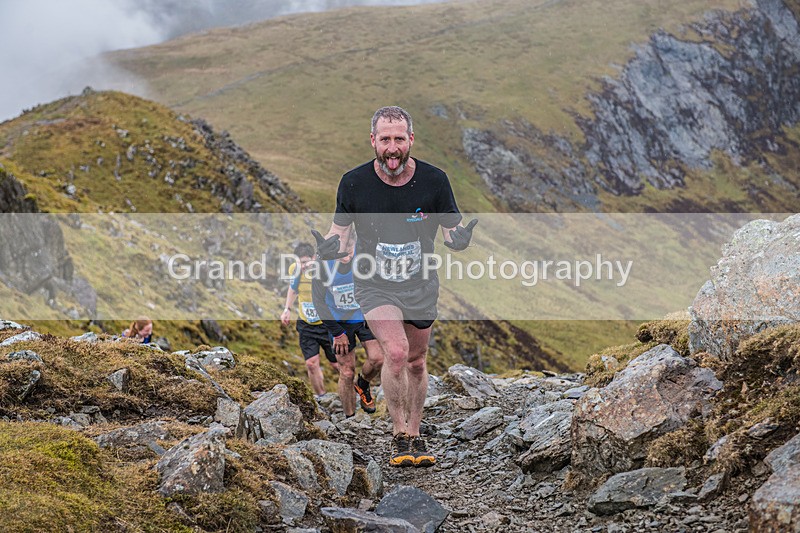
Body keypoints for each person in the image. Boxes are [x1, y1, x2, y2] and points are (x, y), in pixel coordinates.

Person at [313, 106, 477, 467]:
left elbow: (452, 230)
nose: (392, 147)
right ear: (373, 141)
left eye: (398, 139)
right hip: (374, 284)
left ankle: (417, 434)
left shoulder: (435, 181)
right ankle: (400, 434)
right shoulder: (353, 183)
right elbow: (339, 233)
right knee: (397, 353)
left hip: (420, 285)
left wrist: (459, 240)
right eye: (384, 139)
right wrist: (328, 247)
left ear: (410, 140)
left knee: (417, 362)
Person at [311, 231, 384, 417]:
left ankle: (363, 384)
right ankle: (350, 418)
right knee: (346, 371)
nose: (346, 256)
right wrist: (336, 333)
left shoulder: (363, 258)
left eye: (350, 250)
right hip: (338, 322)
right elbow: (318, 302)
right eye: (342, 252)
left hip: (362, 317)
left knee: (378, 359)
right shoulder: (323, 266)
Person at [281, 242, 338, 398]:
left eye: (305, 262)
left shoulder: (323, 269)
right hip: (306, 323)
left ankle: (354, 390)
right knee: (311, 364)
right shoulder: (295, 269)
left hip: (327, 324)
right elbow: (293, 288)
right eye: (299, 262)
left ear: (314, 258)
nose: (302, 266)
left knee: (337, 364)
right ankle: (322, 397)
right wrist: (287, 309)